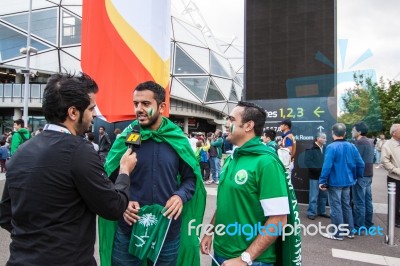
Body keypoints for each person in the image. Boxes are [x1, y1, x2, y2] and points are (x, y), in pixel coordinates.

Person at [0, 72, 137, 266]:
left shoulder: (21, 151)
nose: (95, 115)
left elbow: (5, 215)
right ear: (73, 112)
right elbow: (113, 207)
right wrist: (124, 171)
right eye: (91, 108)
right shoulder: (80, 151)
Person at [100, 81, 206, 266]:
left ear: (162, 106)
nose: (139, 109)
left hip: (167, 232)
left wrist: (180, 196)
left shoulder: (177, 138)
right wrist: (122, 201)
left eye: (146, 104)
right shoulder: (126, 138)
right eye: (136, 104)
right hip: (129, 231)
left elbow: (191, 179)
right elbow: (107, 180)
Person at [200, 101, 301, 266]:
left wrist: (245, 258)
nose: (226, 124)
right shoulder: (233, 158)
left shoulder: (267, 162)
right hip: (221, 254)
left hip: (252, 260)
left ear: (248, 125)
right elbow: (226, 202)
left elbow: (278, 219)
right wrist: (210, 232)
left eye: (231, 119)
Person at [319, 123, 365, 240]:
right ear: (345, 133)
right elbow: (361, 163)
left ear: (332, 133)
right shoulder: (351, 146)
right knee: (346, 205)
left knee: (336, 207)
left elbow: (327, 166)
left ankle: (337, 233)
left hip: (334, 182)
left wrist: (322, 180)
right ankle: (349, 231)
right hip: (348, 181)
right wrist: (357, 176)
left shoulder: (331, 147)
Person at [351, 121, 375, 232]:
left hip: (361, 175)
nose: (352, 131)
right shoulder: (370, 142)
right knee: (367, 200)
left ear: (359, 131)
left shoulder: (360, 143)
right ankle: (369, 223)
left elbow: (355, 160)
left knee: (359, 201)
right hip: (369, 174)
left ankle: (359, 226)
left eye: (353, 129)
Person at [305, 132, 329, 220]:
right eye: (323, 138)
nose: (325, 139)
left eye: (325, 138)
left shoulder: (326, 148)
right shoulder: (310, 149)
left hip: (324, 177)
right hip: (314, 176)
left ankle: (321, 211)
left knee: (323, 196)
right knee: (314, 195)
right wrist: (318, 170)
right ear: (318, 138)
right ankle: (311, 212)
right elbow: (308, 162)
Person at [381, 124, 400, 227]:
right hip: (395, 177)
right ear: (394, 133)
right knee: (395, 200)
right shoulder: (387, 145)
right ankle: (395, 220)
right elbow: (385, 161)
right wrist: (396, 170)